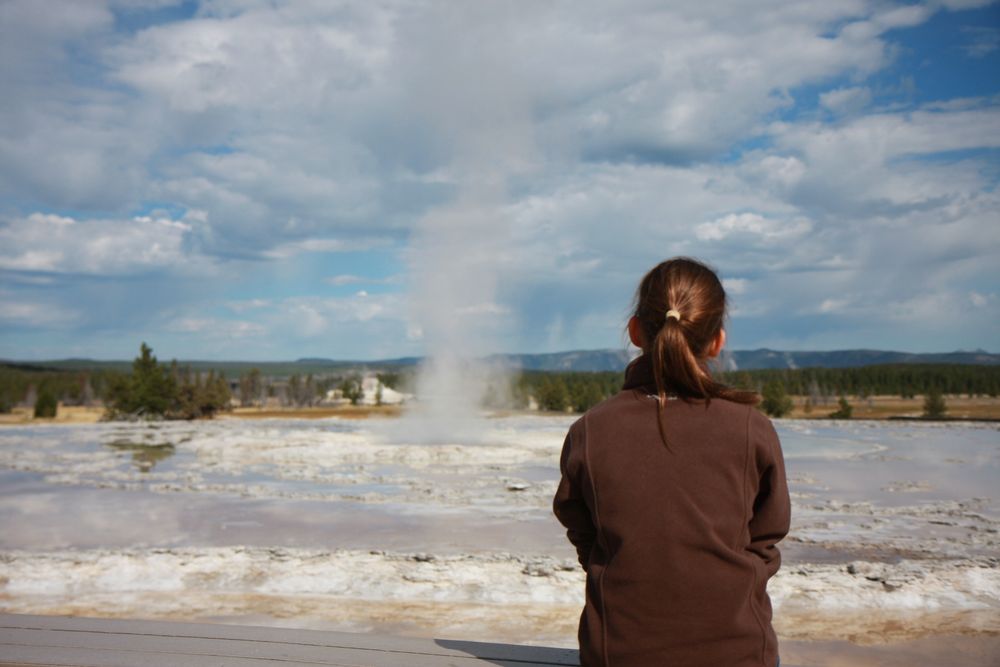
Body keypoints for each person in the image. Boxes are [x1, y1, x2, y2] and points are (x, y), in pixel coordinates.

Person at [553, 257, 790, 667]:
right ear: (717, 341)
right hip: (738, 653)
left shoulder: (590, 430)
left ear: (634, 331)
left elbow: (582, 529)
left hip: (617, 655)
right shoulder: (751, 428)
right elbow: (766, 537)